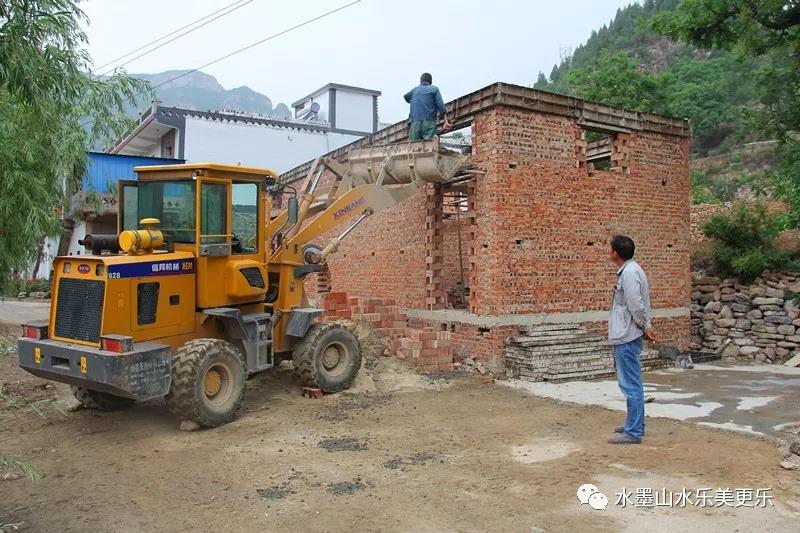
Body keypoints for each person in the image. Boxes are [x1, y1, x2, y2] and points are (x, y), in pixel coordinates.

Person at [607, 235, 656, 445]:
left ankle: (634, 431)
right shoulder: (631, 271)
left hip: (627, 336)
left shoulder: (629, 273)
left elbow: (636, 305)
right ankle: (634, 424)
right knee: (630, 383)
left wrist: (645, 326)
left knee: (631, 385)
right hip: (627, 335)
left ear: (615, 253)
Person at [404, 73, 451, 140]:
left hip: (414, 123)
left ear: (420, 81)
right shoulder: (434, 89)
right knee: (428, 146)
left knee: (413, 146)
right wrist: (445, 121)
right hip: (429, 123)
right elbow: (441, 107)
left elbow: (406, 97)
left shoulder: (414, 90)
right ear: (430, 82)